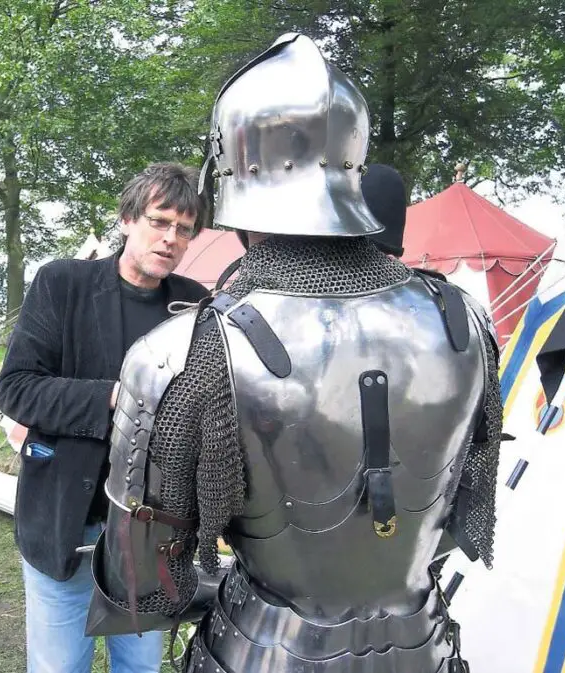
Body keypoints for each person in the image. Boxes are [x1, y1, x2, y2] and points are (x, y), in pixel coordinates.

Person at [86, 34, 503, 673]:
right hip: (425, 648)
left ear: (231, 167)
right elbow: (459, 511)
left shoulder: (182, 349)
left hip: (263, 650)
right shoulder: (464, 318)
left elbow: (139, 582)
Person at [0, 162, 211, 673]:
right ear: (126, 219)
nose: (170, 239)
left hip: (152, 537)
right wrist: (120, 395)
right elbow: (17, 388)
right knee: (58, 668)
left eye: (183, 230)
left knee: (138, 668)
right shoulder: (62, 284)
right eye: (159, 222)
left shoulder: (194, 306)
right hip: (65, 519)